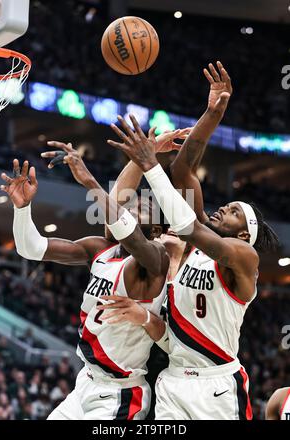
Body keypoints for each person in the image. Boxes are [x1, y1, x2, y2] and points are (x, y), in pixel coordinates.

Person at [102, 63, 280, 420]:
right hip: (173, 381)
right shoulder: (199, 241)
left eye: (231, 211)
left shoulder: (243, 257)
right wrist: (212, 114)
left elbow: (189, 227)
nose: (221, 208)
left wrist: (150, 165)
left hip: (216, 387)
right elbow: (182, 171)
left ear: (244, 234)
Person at [0, 130, 187, 420]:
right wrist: (22, 209)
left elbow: (127, 230)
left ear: (157, 231)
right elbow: (31, 248)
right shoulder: (100, 250)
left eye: (144, 206)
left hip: (121, 393)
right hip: (85, 382)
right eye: (132, 203)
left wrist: (88, 179)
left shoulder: (156, 260)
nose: (134, 204)